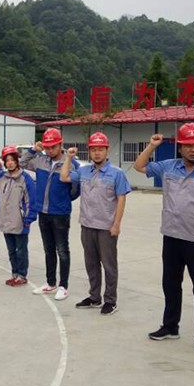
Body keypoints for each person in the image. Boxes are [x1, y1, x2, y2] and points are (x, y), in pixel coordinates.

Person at [133, 122, 194, 354]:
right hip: (171, 237)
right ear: (180, 147)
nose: (193, 149)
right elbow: (139, 166)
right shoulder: (168, 167)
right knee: (171, 285)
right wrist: (152, 146)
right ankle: (170, 326)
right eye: (188, 145)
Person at [61, 132, 131, 315]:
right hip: (87, 225)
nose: (97, 153)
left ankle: (110, 300)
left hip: (106, 227)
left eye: (101, 149)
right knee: (91, 264)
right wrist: (68, 157)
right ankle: (94, 297)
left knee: (109, 265)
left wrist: (117, 224)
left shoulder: (117, 173)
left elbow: (121, 199)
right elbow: (64, 177)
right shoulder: (84, 171)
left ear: (107, 150)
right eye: (93, 149)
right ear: (89, 151)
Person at [21, 128, 80, 301]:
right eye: (47, 147)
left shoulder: (71, 163)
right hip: (43, 212)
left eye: (53, 147)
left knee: (62, 250)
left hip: (60, 213)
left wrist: (64, 200)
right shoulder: (40, 160)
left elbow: (76, 188)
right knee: (48, 249)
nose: (50, 150)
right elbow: (22, 163)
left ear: (60, 144)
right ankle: (50, 282)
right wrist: (33, 150)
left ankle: (63, 286)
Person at [0, 146, 38, 287]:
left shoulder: (25, 178)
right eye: (7, 160)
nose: (10, 163)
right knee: (11, 250)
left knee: (21, 250)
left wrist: (28, 218)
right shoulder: (1, 177)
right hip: (5, 221)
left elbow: (31, 200)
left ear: (17, 160)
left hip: (20, 221)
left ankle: (22, 275)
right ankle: (14, 274)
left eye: (13, 159)